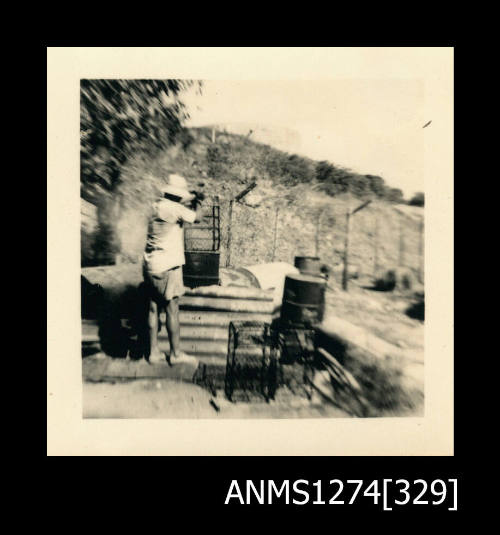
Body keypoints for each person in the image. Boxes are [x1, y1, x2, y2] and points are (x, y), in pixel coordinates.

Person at [142, 173, 204, 364]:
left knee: (153, 309)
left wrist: (191, 197)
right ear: (178, 195)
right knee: (172, 310)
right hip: (168, 266)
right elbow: (198, 218)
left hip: (150, 264)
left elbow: (175, 210)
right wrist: (199, 200)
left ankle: (153, 353)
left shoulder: (154, 206)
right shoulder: (176, 208)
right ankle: (175, 355)